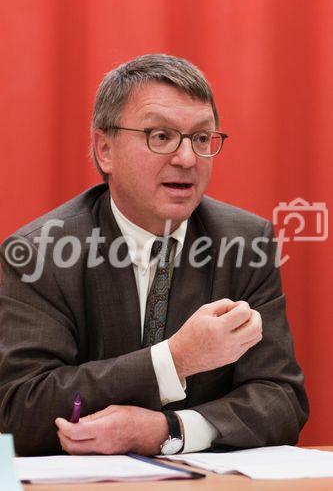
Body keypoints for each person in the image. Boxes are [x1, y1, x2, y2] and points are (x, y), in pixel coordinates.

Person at [0, 54, 308, 456]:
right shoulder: (39, 252)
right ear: (104, 149)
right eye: (160, 136)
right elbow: (18, 409)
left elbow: (281, 400)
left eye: (201, 138)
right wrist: (174, 360)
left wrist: (170, 430)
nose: (187, 159)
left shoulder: (246, 243)